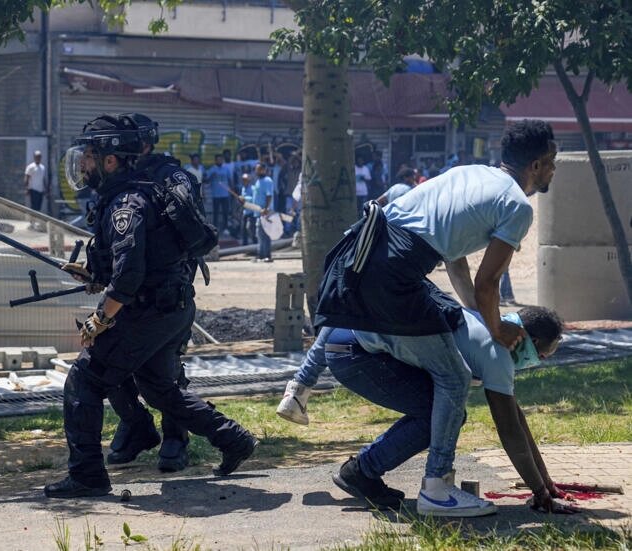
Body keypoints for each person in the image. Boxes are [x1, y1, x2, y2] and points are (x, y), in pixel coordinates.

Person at [279, 119, 557, 517]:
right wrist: (497, 328)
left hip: (364, 255)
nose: (553, 171)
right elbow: (488, 283)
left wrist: (479, 317)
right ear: (536, 165)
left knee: (444, 387)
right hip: (394, 273)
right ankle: (437, 489)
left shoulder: (469, 174)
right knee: (455, 378)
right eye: (552, 162)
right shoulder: (516, 205)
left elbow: (455, 262)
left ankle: (307, 393)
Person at [44, 114, 257, 498]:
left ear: (110, 160)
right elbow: (142, 261)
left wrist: (99, 320)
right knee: (160, 389)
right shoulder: (138, 193)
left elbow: (129, 277)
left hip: (147, 313)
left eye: (89, 156)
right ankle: (233, 439)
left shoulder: (126, 204)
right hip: (169, 309)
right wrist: (94, 275)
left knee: (85, 380)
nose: (83, 164)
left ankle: (88, 476)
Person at [285, 305, 576, 517]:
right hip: (354, 353)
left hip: (346, 340)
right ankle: (362, 473)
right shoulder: (498, 353)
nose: (539, 361)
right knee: (442, 416)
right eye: (542, 356)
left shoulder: (490, 321)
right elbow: (510, 430)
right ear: (533, 342)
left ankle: (361, 472)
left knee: (445, 413)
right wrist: (540, 494)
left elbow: (517, 419)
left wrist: (546, 483)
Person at [88, 111, 207, 474]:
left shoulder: (166, 177)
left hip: (165, 292)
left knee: (166, 368)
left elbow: (184, 237)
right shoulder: (122, 179)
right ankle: (135, 424)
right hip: (129, 290)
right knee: (108, 358)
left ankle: (175, 438)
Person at [238, 163, 274, 262]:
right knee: (261, 235)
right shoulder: (258, 182)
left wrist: (266, 208)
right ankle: (262, 255)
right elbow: (254, 198)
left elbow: (269, 195)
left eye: (258, 169)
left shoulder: (267, 180)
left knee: (264, 235)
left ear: (263, 170)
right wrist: (245, 199)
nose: (256, 171)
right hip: (259, 212)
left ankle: (266, 256)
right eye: (256, 169)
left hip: (265, 212)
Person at [205, 154, 232, 236]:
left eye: (221, 159)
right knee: (216, 213)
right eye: (218, 160)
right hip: (215, 195)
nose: (220, 161)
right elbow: (206, 180)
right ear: (215, 160)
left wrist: (231, 191)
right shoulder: (212, 169)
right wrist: (211, 177)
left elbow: (230, 180)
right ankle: (215, 228)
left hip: (225, 194)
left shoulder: (226, 169)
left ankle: (225, 228)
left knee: (225, 212)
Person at [239, 173, 256, 247]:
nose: (244, 181)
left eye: (245, 180)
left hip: (252, 212)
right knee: (243, 229)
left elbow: (254, 199)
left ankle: (255, 243)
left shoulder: (253, 188)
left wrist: (245, 198)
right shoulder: (243, 188)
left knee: (251, 228)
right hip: (245, 212)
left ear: (249, 180)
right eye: (243, 180)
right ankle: (245, 244)